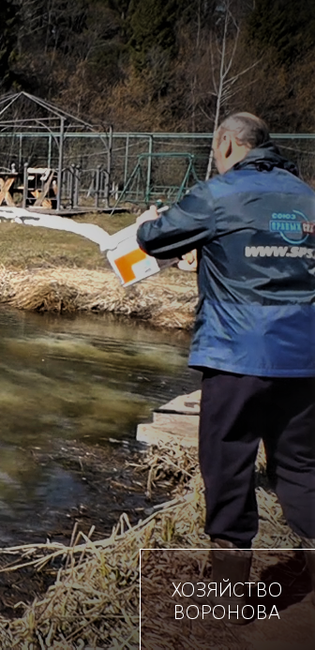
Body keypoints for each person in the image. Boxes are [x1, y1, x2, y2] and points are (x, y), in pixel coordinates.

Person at [136, 112, 315, 613]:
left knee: (229, 462)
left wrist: (148, 223)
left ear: (228, 144)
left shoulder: (220, 193)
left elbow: (156, 239)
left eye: (216, 151)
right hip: (305, 356)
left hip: (238, 354)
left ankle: (231, 594)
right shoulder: (307, 197)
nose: (215, 160)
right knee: (301, 466)